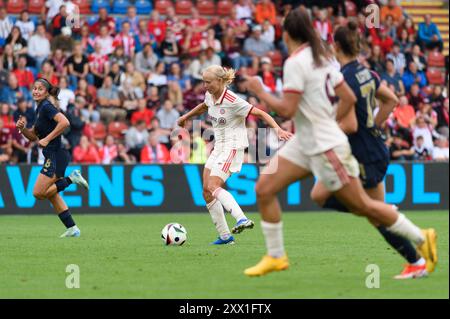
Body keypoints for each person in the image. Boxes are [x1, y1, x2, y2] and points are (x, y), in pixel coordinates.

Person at [243, 7, 437, 277]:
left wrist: (259, 90)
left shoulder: (296, 63)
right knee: (264, 188)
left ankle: (420, 236)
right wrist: (324, 117)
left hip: (324, 144)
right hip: (306, 140)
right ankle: (276, 255)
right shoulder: (321, 58)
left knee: (365, 207)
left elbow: (287, 109)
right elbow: (347, 97)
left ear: (286, 34)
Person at [310, 21, 430, 279]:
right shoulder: (368, 73)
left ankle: (411, 251)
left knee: (328, 198)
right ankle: (413, 255)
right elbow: (392, 100)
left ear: (336, 46)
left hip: (363, 153)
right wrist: (373, 125)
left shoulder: (344, 79)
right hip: (372, 147)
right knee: (335, 199)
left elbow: (351, 124)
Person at [177, 65, 292, 245]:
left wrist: (277, 129)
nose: (205, 85)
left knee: (214, 185)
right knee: (207, 192)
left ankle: (241, 218)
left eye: (208, 82)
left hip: (233, 147)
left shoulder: (233, 100)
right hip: (219, 147)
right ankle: (225, 236)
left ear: (220, 81)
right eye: (203, 82)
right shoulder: (210, 95)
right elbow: (203, 106)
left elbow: (260, 113)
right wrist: (186, 117)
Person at [15, 78, 89, 238]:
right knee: (51, 193)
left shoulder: (47, 107)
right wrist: (22, 129)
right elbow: (33, 136)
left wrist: (47, 139)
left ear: (46, 92)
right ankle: (72, 228)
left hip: (56, 155)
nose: (36, 91)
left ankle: (72, 179)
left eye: (40, 89)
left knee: (38, 193)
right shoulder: (40, 109)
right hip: (53, 155)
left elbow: (65, 122)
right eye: (34, 88)